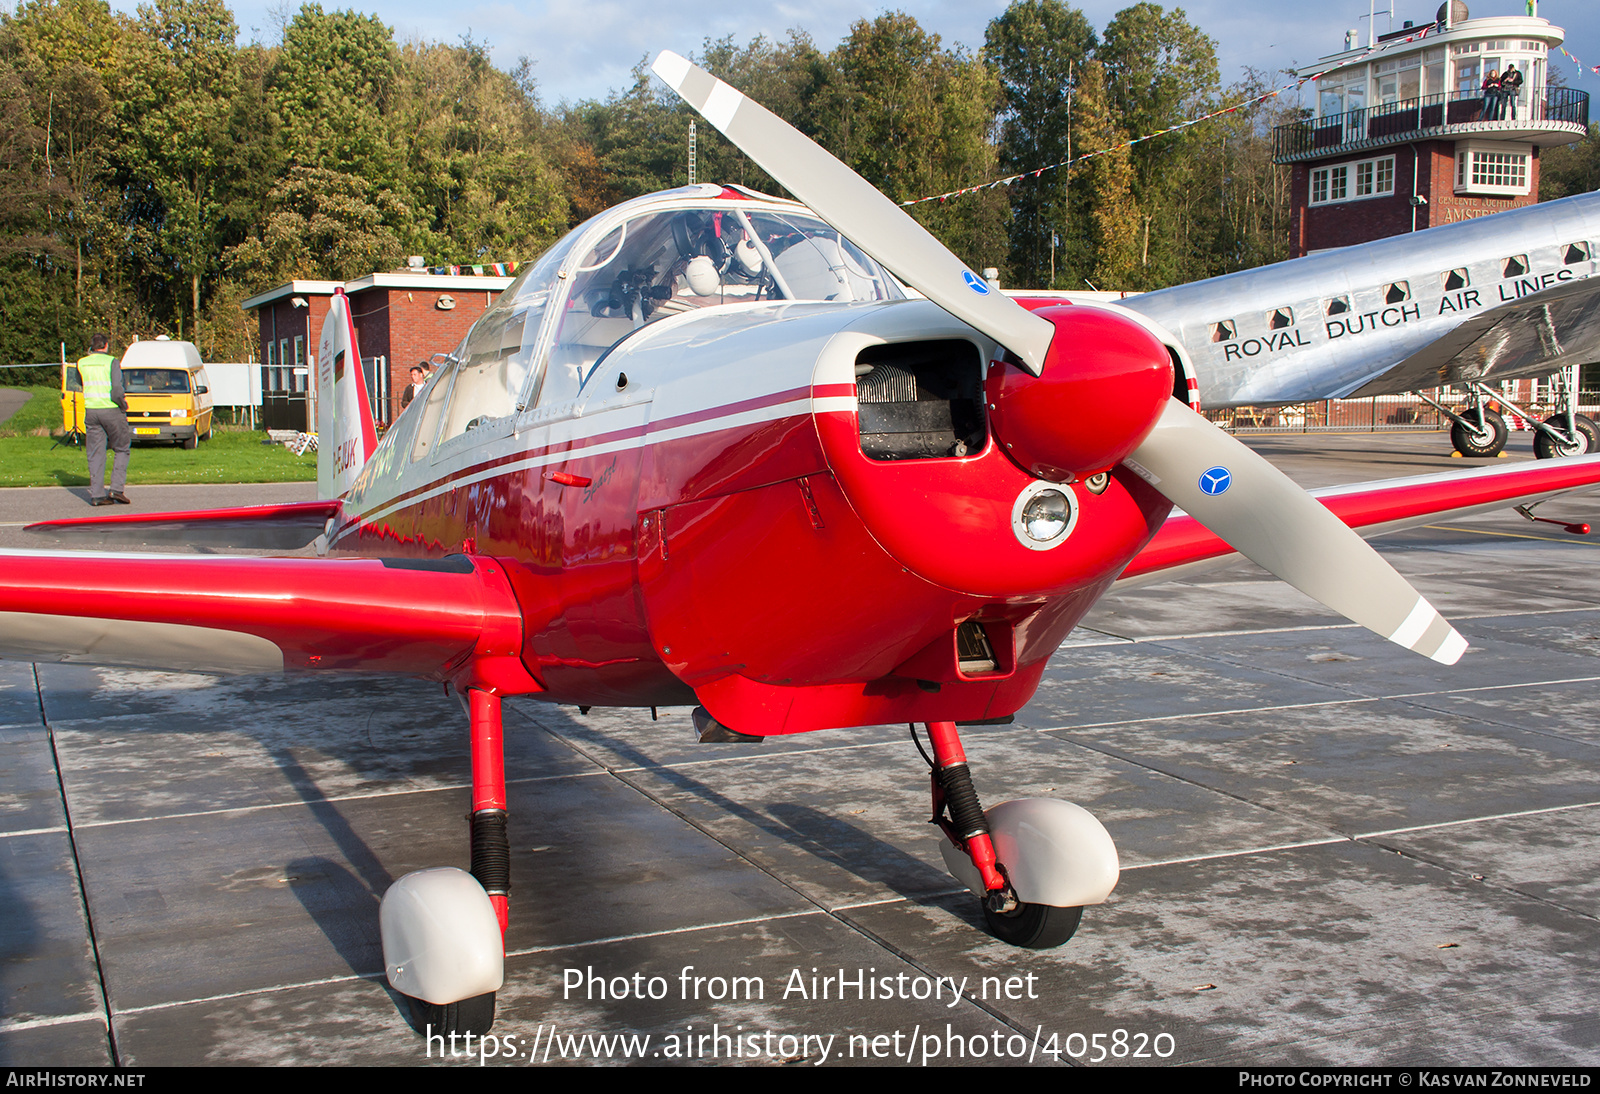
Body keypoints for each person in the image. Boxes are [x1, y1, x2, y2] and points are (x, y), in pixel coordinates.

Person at [76, 332, 130, 506]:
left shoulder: (81, 363)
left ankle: (98, 495)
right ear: (106, 346)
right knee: (121, 448)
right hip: (111, 409)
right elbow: (116, 389)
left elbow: (80, 382)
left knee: (95, 453)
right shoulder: (112, 362)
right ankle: (116, 489)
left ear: (92, 346)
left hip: (91, 411)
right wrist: (122, 404)